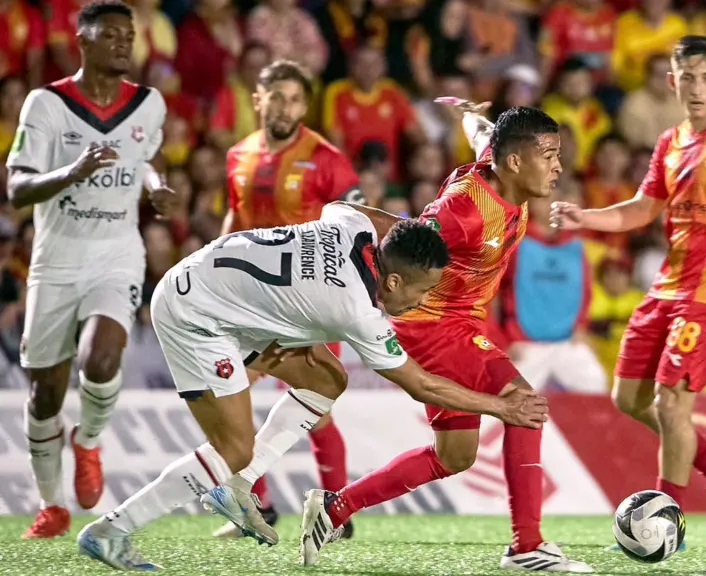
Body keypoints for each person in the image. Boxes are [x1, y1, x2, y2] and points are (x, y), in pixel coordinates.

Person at [77, 203, 549, 570]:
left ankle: (236, 485)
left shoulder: (355, 229)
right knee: (232, 448)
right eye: (422, 290)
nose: (424, 301)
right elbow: (422, 385)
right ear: (394, 278)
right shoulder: (358, 312)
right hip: (196, 316)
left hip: (218, 284)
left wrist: (412, 230)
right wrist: (501, 408)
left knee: (328, 378)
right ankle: (112, 529)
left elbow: (347, 206)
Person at [298, 105, 593, 573]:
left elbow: (483, 135)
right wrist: (346, 230)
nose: (560, 165)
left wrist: (472, 117)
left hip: (461, 322)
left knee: (454, 456)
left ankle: (335, 508)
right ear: (515, 162)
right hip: (434, 325)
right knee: (524, 404)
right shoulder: (464, 210)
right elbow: (404, 238)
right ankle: (527, 546)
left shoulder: (502, 169)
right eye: (550, 155)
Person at [549, 35, 706, 544]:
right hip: (667, 287)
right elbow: (640, 209)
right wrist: (583, 215)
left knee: (671, 403)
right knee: (627, 397)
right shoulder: (671, 141)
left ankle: (667, 523)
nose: (698, 87)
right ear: (671, 81)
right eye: (688, 77)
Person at [5, 0, 177, 539]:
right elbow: (15, 190)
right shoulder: (46, 103)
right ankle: (51, 504)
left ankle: (89, 440)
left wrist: (154, 187)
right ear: (83, 42)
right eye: (111, 35)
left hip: (116, 253)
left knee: (100, 359)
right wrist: (72, 170)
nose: (125, 43)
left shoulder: (149, 104)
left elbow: (144, 158)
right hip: (56, 259)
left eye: (130, 35)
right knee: (45, 395)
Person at [208, 58, 362, 541]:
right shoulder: (238, 155)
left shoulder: (328, 159)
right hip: (250, 303)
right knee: (231, 401)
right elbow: (235, 220)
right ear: (258, 99)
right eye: (277, 97)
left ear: (305, 104)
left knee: (314, 409)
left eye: (295, 99)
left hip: (311, 302)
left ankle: (338, 512)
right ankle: (260, 507)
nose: (286, 107)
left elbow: (354, 231)